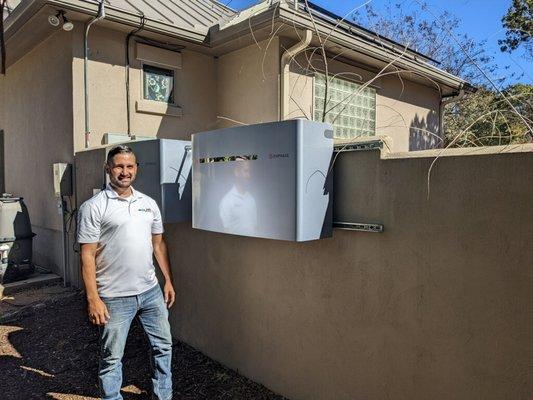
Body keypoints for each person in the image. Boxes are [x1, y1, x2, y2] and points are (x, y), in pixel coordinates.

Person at [77, 144, 175, 400]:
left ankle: (162, 396)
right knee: (111, 358)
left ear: (136, 169)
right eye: (119, 166)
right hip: (114, 297)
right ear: (108, 169)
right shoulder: (94, 206)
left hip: (151, 292)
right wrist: (93, 299)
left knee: (163, 348)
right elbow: (87, 255)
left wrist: (167, 280)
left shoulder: (148, 203)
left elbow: (158, 244)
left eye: (129, 166)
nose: (124, 171)